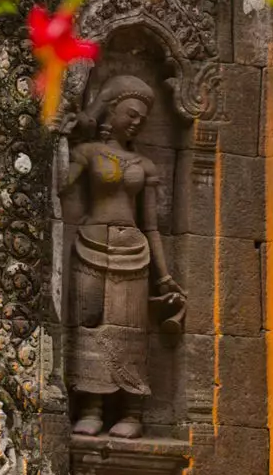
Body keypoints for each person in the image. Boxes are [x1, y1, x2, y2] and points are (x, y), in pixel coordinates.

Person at [59, 73, 185, 439]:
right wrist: (60, 137)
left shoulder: (143, 165)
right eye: (131, 113)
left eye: (143, 118)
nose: (136, 121)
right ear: (111, 111)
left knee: (129, 327)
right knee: (89, 323)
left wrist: (164, 277)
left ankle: (132, 410)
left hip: (134, 250)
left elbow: (151, 226)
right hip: (90, 242)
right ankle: (91, 407)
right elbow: (60, 185)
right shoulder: (86, 153)